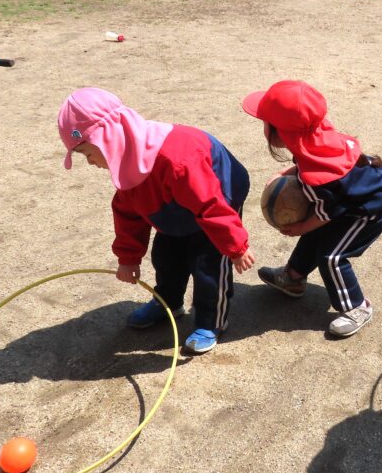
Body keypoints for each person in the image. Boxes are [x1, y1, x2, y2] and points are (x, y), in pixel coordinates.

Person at [58, 87, 255, 355]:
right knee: (166, 257)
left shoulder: (177, 161)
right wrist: (128, 258)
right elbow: (128, 214)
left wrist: (236, 246)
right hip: (174, 206)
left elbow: (211, 206)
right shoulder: (127, 165)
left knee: (208, 263)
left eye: (86, 152)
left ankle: (211, 321)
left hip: (217, 194)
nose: (90, 162)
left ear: (108, 139)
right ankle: (169, 303)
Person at [242, 80, 382, 338]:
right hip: (350, 194)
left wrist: (302, 226)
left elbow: (327, 212)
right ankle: (293, 277)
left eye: (266, 123)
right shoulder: (313, 135)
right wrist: (286, 172)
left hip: (367, 210)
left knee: (332, 256)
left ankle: (357, 306)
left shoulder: (317, 179)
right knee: (316, 234)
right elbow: (307, 164)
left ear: (281, 134)